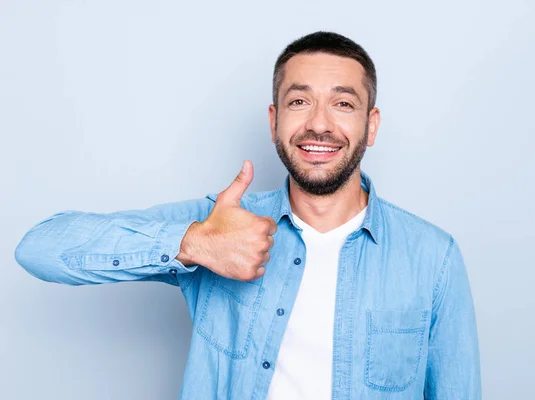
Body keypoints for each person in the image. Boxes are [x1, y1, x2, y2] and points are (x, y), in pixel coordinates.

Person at [15, 31, 481, 399]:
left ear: (371, 125)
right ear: (274, 120)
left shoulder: (432, 256)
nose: (319, 123)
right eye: (300, 102)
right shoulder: (220, 223)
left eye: (343, 103)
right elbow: (40, 247)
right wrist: (193, 244)